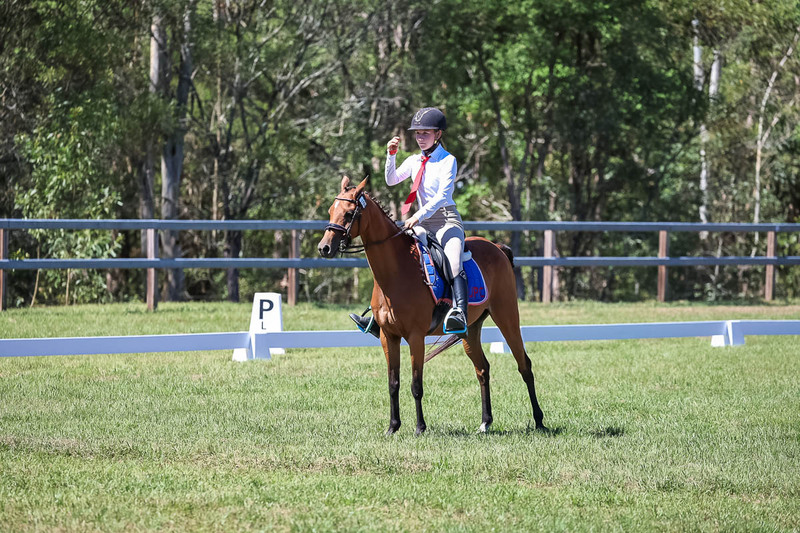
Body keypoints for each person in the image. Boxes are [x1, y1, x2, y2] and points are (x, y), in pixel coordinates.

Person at [350, 107, 469, 337]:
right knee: (397, 255)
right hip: (421, 223)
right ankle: (378, 315)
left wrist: (416, 216)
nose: (420, 138)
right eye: (417, 134)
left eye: (425, 133)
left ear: (438, 135)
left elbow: (442, 196)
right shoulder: (415, 160)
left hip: (446, 221)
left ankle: (459, 313)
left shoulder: (448, 161)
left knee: (453, 261)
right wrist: (391, 155)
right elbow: (392, 179)